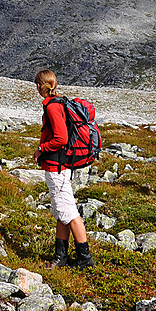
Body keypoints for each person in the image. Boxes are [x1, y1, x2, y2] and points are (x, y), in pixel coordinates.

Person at [33, 69, 95, 269]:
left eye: (36, 84)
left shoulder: (52, 107)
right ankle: (60, 257)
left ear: (41, 86)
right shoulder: (59, 102)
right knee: (61, 211)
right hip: (61, 165)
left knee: (69, 212)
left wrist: (41, 149)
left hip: (56, 166)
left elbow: (61, 138)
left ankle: (85, 258)